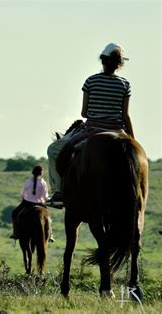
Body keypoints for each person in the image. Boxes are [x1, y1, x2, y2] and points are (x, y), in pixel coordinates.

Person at [47, 43, 133, 207]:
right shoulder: (125, 84)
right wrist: (132, 137)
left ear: (102, 61)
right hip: (119, 130)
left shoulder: (91, 81)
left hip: (93, 129)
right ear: (119, 64)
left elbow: (84, 112)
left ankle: (58, 191)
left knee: (54, 150)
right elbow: (125, 115)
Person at [9, 165, 53, 241]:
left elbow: (22, 194)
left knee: (15, 213)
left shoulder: (28, 181)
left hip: (27, 203)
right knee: (48, 217)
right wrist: (49, 199)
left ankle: (16, 232)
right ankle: (50, 234)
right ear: (41, 173)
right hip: (40, 204)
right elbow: (45, 197)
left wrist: (25, 198)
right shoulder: (43, 183)